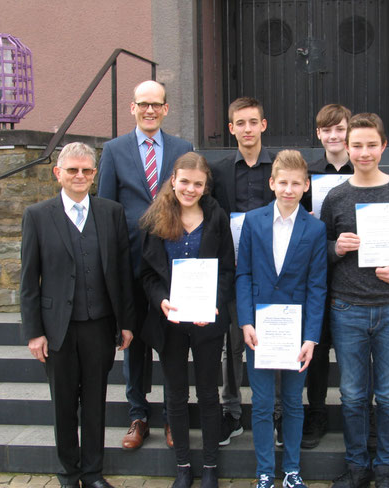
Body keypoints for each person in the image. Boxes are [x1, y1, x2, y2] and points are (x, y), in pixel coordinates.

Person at [320, 114, 389, 488]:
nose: (364, 152)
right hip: (347, 308)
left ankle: (385, 468)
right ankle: (356, 467)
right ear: (346, 148)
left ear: (383, 147)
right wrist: (336, 247)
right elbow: (321, 249)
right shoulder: (336, 196)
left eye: (371, 145)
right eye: (357, 145)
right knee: (351, 396)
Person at [20, 142, 135, 488]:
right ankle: (69, 474)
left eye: (87, 170)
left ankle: (93, 473)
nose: (80, 176)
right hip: (58, 329)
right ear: (59, 173)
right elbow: (28, 279)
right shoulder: (38, 215)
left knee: (96, 403)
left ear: (95, 175)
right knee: (64, 405)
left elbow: (122, 272)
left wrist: (126, 322)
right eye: (72, 170)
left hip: (100, 325)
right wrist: (34, 332)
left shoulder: (111, 212)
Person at [98, 80, 193, 450]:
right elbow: (105, 210)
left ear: (166, 108)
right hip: (130, 266)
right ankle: (138, 416)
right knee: (133, 343)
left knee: (171, 345)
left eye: (156, 104)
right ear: (132, 107)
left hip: (172, 268)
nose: (149, 110)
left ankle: (172, 417)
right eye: (143, 104)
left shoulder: (183, 149)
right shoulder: (114, 150)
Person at [139, 152, 235, 488]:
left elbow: (227, 270)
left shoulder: (216, 217)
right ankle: (182, 465)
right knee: (175, 395)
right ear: (173, 180)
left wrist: (214, 304)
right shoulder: (157, 218)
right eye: (184, 182)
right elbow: (148, 274)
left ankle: (209, 465)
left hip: (207, 322)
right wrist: (161, 301)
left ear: (206, 184)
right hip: (170, 322)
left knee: (209, 394)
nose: (190, 189)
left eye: (197, 183)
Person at [236, 150, 327, 488]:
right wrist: (245, 320)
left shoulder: (315, 229)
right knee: (261, 403)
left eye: (296, 183)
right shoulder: (254, 221)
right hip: (258, 327)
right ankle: (263, 471)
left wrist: (311, 337)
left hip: (295, 329)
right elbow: (243, 273)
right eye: (282, 182)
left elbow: (317, 286)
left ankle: (291, 470)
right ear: (272, 183)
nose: (289, 189)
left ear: (306, 185)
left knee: (292, 401)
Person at [209, 96, 276, 446]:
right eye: (240, 123)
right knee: (232, 344)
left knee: (274, 340)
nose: (247, 129)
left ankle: (276, 413)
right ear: (231, 128)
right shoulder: (218, 171)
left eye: (254, 122)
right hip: (234, 271)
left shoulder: (280, 165)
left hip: (274, 273)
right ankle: (231, 412)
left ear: (263, 125)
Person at [301, 104, 353, 449]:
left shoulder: (361, 168)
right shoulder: (308, 175)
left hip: (352, 272)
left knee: (353, 354)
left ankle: (358, 416)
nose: (334, 136)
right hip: (317, 272)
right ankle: (316, 413)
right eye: (327, 130)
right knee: (317, 351)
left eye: (340, 129)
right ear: (318, 134)